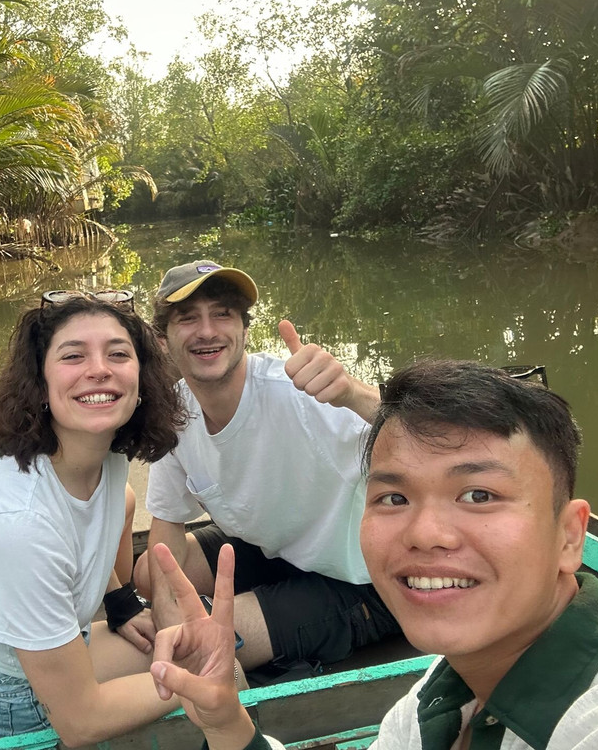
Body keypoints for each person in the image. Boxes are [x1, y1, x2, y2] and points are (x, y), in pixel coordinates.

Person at [148, 359, 598, 750]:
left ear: (570, 537)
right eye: (394, 497)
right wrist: (227, 728)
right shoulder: (430, 703)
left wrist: (352, 393)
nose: (426, 533)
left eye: (479, 495)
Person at [0, 291, 187, 745]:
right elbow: (80, 722)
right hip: (13, 695)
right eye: (73, 356)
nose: (100, 369)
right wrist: (205, 682)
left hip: (35, 650)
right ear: (39, 383)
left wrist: (119, 601)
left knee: (200, 637)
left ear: (141, 380)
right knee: (214, 661)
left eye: (118, 354)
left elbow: (95, 526)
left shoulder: (105, 454)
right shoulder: (19, 525)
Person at [133, 260, 399, 671]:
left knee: (203, 646)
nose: (207, 331)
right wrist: (169, 617)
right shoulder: (176, 410)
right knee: (150, 576)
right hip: (277, 552)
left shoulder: (300, 392)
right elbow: (166, 524)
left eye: (222, 314)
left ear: (243, 329)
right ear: (164, 340)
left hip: (363, 579)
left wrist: (351, 393)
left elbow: (423, 436)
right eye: (188, 318)